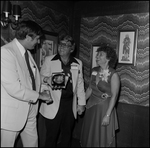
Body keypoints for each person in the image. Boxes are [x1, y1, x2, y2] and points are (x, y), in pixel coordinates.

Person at [1, 20, 52, 147]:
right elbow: (14, 88)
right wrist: (39, 95)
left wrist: (44, 86)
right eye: (37, 39)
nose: (38, 42)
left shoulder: (27, 53)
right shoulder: (5, 52)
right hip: (13, 112)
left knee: (33, 144)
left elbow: (30, 79)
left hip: (30, 108)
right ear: (28, 37)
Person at [39, 35, 86, 147]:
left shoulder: (78, 63)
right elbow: (40, 78)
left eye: (65, 45)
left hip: (70, 104)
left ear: (72, 49)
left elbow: (80, 84)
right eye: (60, 44)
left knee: (67, 135)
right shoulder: (49, 60)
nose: (61, 47)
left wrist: (82, 104)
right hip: (53, 102)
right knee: (51, 136)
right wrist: (46, 79)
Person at [80, 43, 120, 147]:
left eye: (100, 54)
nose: (97, 56)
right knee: (90, 134)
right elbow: (89, 89)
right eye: (97, 54)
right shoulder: (94, 70)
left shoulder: (113, 74)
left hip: (104, 110)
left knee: (102, 136)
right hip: (91, 108)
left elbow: (114, 96)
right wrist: (81, 104)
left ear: (108, 58)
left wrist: (107, 115)